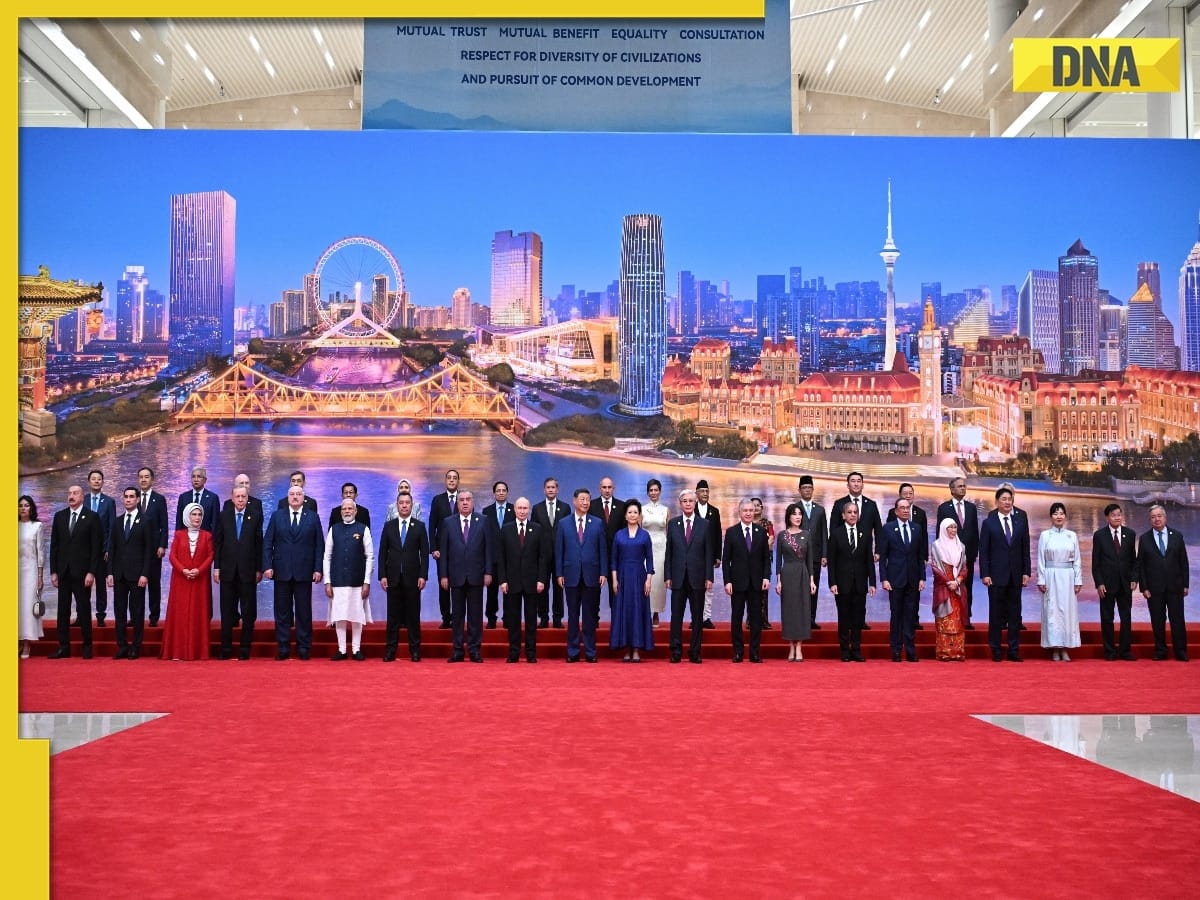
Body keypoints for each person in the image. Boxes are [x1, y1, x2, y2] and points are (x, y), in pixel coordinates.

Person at [263, 485, 325, 661]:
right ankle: (283, 647)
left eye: (298, 494)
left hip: (304, 571)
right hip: (281, 571)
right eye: (292, 494)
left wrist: (318, 569)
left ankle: (304, 647)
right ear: (287, 497)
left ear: (303, 498)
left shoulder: (312, 517)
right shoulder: (277, 516)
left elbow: (319, 545)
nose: (295, 497)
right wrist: (267, 565)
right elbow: (268, 542)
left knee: (304, 612)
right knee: (282, 612)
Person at [438, 490, 493, 663]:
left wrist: (488, 572)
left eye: (468, 499)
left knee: (475, 616)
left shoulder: (483, 521)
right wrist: (443, 575)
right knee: (457, 615)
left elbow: (488, 549)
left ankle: (475, 650)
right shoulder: (448, 522)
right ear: (457, 503)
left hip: (477, 575)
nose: (465, 502)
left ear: (473, 502)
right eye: (461, 500)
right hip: (456, 576)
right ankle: (457, 650)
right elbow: (444, 551)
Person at [49, 485, 103, 659]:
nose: (71, 496)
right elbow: (54, 546)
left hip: (82, 573)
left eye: (75, 493)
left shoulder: (92, 517)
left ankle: (87, 646)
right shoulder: (59, 516)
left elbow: (96, 548)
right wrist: (53, 571)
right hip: (63, 572)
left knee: (84, 609)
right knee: (62, 611)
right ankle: (63, 647)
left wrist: (91, 572)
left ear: (82, 496)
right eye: (69, 493)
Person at [979, 486, 1031, 663]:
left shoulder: (1020, 522)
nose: (1007, 502)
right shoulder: (989, 523)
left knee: (1015, 615)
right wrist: (985, 573)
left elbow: (1025, 549)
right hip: (995, 576)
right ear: (996, 502)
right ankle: (995, 649)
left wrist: (1026, 571)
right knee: (995, 614)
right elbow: (984, 551)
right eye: (1004, 499)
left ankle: (1013, 650)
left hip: (1015, 575)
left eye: (1010, 499)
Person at [556, 488, 608, 663]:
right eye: (582, 499)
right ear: (574, 501)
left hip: (592, 575)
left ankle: (590, 652)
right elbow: (559, 551)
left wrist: (603, 572)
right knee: (572, 616)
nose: (585, 502)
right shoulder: (563, 523)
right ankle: (572, 652)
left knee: (589, 616)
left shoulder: (597, 523)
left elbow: (602, 549)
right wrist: (559, 573)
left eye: (588, 499)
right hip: (570, 575)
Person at [377, 491, 429, 662]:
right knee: (393, 617)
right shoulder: (389, 526)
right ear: (397, 505)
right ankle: (390, 650)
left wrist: (423, 576)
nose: (404, 505)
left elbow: (424, 554)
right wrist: (382, 575)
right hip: (393, 578)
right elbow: (382, 552)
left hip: (413, 579)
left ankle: (415, 651)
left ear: (412, 505)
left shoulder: (419, 526)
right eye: (401, 503)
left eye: (407, 503)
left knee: (413, 616)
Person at [213, 485, 263, 660]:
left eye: (243, 497)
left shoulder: (255, 516)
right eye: (238, 497)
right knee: (227, 611)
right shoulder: (223, 516)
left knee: (248, 612)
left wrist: (258, 569)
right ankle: (226, 648)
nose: (240, 500)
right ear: (232, 498)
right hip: (227, 571)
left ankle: (244, 649)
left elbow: (258, 544)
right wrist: (217, 567)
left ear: (247, 498)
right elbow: (218, 543)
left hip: (248, 571)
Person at [497, 497, 549, 663]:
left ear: (529, 510)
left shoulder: (537, 529)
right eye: (519, 508)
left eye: (525, 508)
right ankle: (514, 653)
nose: (522, 511)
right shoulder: (506, 529)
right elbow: (501, 557)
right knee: (513, 620)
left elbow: (543, 557)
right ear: (514, 509)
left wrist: (541, 579)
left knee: (531, 620)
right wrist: (502, 580)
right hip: (511, 582)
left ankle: (531, 654)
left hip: (532, 582)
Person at [664, 488, 713, 664]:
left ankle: (695, 651)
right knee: (676, 616)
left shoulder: (704, 524)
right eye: (684, 501)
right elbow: (669, 552)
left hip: (697, 577)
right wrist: (667, 576)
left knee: (697, 616)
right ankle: (676, 651)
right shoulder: (673, 524)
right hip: (677, 577)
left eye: (691, 501)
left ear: (695, 503)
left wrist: (709, 577)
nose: (688, 504)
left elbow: (708, 553)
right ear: (680, 504)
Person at [831, 472, 884, 630]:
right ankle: (847, 624)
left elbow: (878, 529)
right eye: (852, 481)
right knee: (845, 596)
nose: (856, 484)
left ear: (863, 484)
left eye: (858, 481)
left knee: (860, 590)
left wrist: (878, 550)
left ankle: (860, 621)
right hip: (844, 556)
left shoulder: (871, 505)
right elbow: (833, 529)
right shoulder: (839, 504)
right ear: (847, 485)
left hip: (863, 555)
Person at [161, 503, 214, 661]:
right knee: (180, 614)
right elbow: (172, 556)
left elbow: (210, 556)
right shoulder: (179, 535)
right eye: (194, 514)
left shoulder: (207, 536)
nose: (197, 517)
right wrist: (183, 570)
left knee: (198, 614)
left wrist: (199, 570)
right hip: (180, 580)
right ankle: (177, 651)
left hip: (200, 581)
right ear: (187, 516)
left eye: (199, 515)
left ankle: (197, 652)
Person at [1137, 504, 1190, 662]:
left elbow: (1183, 562)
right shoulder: (1144, 538)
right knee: (1157, 621)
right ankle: (1160, 651)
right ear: (1150, 520)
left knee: (1177, 619)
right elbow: (1141, 565)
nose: (1156, 519)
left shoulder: (1177, 536)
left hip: (1175, 586)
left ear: (1165, 517)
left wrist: (1185, 584)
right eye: (1153, 517)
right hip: (1154, 588)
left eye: (1159, 516)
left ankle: (1181, 651)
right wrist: (1144, 587)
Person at [108, 487, 155, 660]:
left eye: (131, 497)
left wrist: (145, 574)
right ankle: (122, 646)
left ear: (137, 500)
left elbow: (149, 550)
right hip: (119, 574)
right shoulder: (117, 521)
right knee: (119, 611)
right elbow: (112, 549)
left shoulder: (146, 521)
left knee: (137, 612)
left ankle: (136, 646)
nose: (128, 499)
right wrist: (110, 572)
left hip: (137, 575)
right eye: (126, 497)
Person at [324, 498, 374, 661]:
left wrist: (367, 581)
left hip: (357, 580)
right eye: (344, 509)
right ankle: (342, 649)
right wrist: (327, 581)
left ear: (355, 511)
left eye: (350, 508)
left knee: (357, 615)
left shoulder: (363, 529)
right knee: (339, 616)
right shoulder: (334, 529)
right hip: (338, 580)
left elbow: (370, 556)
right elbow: (327, 557)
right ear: (341, 512)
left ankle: (356, 649)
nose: (347, 511)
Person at [879, 497, 928, 663]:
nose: (906, 510)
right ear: (896, 511)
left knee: (910, 616)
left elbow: (920, 556)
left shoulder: (917, 528)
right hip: (895, 580)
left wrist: (922, 577)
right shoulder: (888, 528)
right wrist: (884, 579)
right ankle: (896, 650)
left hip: (913, 579)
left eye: (908, 507)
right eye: (902, 508)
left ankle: (910, 650)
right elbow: (883, 556)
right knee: (896, 615)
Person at [825, 501, 875, 662]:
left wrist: (872, 582)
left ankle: (856, 650)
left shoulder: (865, 533)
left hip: (860, 584)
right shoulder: (836, 534)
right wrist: (832, 583)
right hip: (842, 584)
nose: (853, 515)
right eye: (849, 512)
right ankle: (845, 651)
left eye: (855, 512)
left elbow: (869, 560)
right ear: (843, 515)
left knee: (858, 619)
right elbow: (832, 561)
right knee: (844, 618)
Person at [723, 498, 771, 663]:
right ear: (739, 512)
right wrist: (727, 581)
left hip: (756, 583)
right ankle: (738, 652)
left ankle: (754, 652)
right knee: (736, 618)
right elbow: (726, 560)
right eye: (745, 510)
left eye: (751, 510)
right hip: (737, 583)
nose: (749, 513)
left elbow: (766, 558)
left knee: (756, 619)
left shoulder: (761, 532)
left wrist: (766, 577)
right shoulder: (731, 532)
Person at [1091, 502, 1138, 661]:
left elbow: (1133, 560)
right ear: (1107, 517)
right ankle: (1109, 651)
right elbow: (1096, 563)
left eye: (1119, 514)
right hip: (1107, 584)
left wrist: (1134, 578)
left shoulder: (1130, 534)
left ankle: (1125, 651)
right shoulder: (1099, 535)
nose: (1117, 517)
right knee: (1107, 618)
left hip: (1126, 584)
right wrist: (1099, 583)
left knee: (1126, 618)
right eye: (1113, 515)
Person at [609, 499, 655, 663]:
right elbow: (614, 559)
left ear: (639, 515)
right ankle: (625, 648)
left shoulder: (645, 535)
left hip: (639, 577)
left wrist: (648, 580)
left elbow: (650, 559)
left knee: (637, 611)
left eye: (635, 512)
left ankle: (636, 650)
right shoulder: (619, 535)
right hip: (622, 577)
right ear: (625, 515)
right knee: (624, 611)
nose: (633, 515)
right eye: (630, 512)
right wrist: (614, 580)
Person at [1037, 502, 1082, 662]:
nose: (1059, 516)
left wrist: (1078, 580)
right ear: (1051, 516)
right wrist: (1041, 579)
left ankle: (1065, 647)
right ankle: (1055, 648)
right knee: (1053, 612)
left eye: (1061, 513)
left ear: (1065, 516)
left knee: (1067, 613)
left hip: (1068, 577)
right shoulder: (1045, 535)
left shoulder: (1072, 535)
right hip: (1051, 576)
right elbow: (1041, 559)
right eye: (1055, 513)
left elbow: (1077, 560)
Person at [936, 477, 979, 629]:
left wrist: (974, 553)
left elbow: (975, 532)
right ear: (952, 489)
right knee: (951, 588)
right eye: (960, 486)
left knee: (968, 588)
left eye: (964, 486)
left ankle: (966, 619)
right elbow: (940, 534)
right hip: (949, 559)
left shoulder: (971, 508)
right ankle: (951, 618)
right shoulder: (944, 508)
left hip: (968, 558)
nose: (963, 488)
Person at [776, 502, 815, 662]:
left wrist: (812, 581)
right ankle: (791, 645)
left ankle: (799, 646)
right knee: (789, 610)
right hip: (787, 574)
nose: (798, 517)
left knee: (802, 610)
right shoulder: (782, 535)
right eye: (794, 514)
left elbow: (810, 560)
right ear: (788, 516)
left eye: (800, 514)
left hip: (802, 574)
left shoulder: (806, 534)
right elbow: (778, 561)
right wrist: (778, 581)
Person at [531, 477, 571, 628]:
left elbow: (568, 532)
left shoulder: (565, 508)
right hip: (542, 556)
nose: (551, 490)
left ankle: (557, 618)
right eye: (548, 487)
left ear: (557, 490)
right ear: (544, 490)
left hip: (560, 555)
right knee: (542, 587)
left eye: (553, 487)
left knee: (559, 587)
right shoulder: (537, 508)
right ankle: (543, 617)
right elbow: (533, 533)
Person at [929, 518, 967, 662]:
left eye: (955, 527)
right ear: (944, 529)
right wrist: (948, 582)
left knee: (958, 621)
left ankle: (958, 652)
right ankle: (944, 652)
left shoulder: (961, 546)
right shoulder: (937, 546)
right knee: (944, 620)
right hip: (943, 587)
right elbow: (935, 567)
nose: (953, 530)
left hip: (957, 588)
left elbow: (964, 567)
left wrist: (957, 581)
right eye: (950, 527)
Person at [136, 466, 170, 627]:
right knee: (136, 585)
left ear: (152, 479)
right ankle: (136, 616)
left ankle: (154, 616)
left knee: (154, 584)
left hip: (154, 549)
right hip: (136, 550)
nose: (143, 479)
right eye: (141, 477)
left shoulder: (159, 499)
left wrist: (162, 545)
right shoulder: (133, 498)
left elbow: (164, 525)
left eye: (146, 477)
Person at [427, 468, 461, 629]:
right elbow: (432, 525)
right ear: (445, 481)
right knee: (444, 585)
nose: (452, 480)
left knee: (459, 584)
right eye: (449, 478)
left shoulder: (464, 498)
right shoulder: (437, 500)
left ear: (458, 481)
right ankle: (446, 617)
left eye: (455, 478)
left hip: (460, 551)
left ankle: (458, 617)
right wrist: (433, 548)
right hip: (441, 551)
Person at [84, 469, 116, 627]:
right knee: (83, 584)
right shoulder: (83, 500)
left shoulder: (109, 502)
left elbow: (112, 527)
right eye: (93, 479)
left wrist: (109, 549)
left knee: (101, 586)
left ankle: (101, 615)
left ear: (103, 482)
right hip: (84, 551)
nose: (96, 481)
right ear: (89, 482)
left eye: (99, 479)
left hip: (102, 551)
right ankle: (82, 615)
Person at [482, 480, 516, 629]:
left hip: (510, 560)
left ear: (507, 493)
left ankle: (508, 618)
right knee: (492, 591)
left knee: (509, 591)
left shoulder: (514, 509)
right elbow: (484, 537)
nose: (501, 493)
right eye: (498, 490)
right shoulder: (486, 511)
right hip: (493, 559)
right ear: (494, 493)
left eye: (504, 490)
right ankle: (491, 618)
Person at [796, 476, 827, 631]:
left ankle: (811, 619)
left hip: (815, 556)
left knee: (813, 587)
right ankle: (800, 619)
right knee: (799, 588)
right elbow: (789, 533)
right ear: (799, 490)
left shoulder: (820, 510)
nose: (807, 490)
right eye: (804, 488)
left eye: (809, 488)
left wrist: (824, 555)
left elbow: (824, 534)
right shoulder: (794, 509)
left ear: (813, 490)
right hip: (798, 557)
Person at [18, 495, 45, 659]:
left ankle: (27, 643)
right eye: (20, 505)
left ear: (31, 508)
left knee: (28, 607)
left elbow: (40, 551)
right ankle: (18, 642)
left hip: (31, 570)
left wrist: (40, 575)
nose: (23, 508)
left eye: (26, 505)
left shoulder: (37, 526)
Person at [641, 479, 669, 627]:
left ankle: (656, 613)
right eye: (651, 490)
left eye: (656, 490)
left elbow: (669, 532)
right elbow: (638, 531)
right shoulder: (642, 509)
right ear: (647, 492)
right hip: (645, 547)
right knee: (646, 579)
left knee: (658, 581)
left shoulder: (666, 510)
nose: (653, 493)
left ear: (660, 491)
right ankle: (645, 611)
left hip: (661, 548)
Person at [694, 479, 722, 630]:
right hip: (694, 555)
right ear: (696, 493)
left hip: (709, 555)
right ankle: (696, 618)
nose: (705, 494)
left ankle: (706, 617)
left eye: (707, 491)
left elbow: (718, 534)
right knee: (694, 588)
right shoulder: (691, 510)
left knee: (709, 587)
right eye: (702, 491)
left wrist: (718, 556)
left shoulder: (714, 511)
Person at [750, 497, 775, 628]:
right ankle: (751, 620)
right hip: (749, 562)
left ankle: (764, 620)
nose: (755, 508)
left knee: (763, 591)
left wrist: (758, 548)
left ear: (762, 508)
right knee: (750, 591)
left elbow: (771, 540)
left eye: (758, 505)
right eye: (753, 505)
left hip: (764, 561)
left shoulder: (767, 524)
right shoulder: (746, 523)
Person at [175, 465, 220, 533]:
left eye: (199, 476)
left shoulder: (213, 498)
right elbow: (179, 523)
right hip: (186, 537)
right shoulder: (183, 497)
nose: (196, 479)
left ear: (205, 480)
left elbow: (215, 524)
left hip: (205, 537)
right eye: (193, 476)